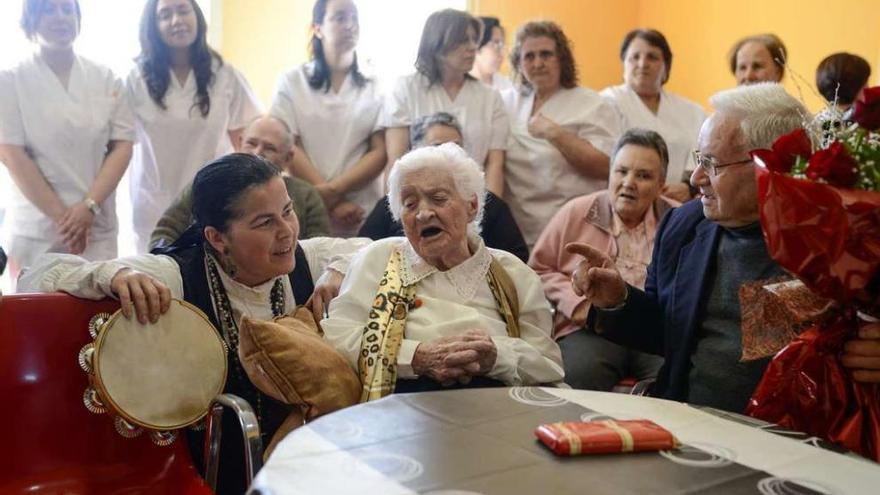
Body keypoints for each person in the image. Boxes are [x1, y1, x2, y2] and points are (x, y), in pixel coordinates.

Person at [19, 153, 370, 494]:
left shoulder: (308, 259)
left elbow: (377, 246)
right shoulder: (177, 274)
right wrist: (113, 274)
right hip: (215, 466)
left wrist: (341, 270)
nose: (287, 232)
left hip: (310, 463)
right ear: (217, 238)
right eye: (265, 222)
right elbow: (36, 274)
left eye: (288, 211)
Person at [568, 83, 880, 414]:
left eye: (712, 163)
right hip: (689, 424)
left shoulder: (846, 244)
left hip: (796, 437)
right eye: (698, 158)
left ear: (768, 166)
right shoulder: (682, 228)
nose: (696, 177)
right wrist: (618, 300)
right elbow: (668, 334)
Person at [323, 143, 563, 398]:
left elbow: (548, 364)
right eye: (410, 204)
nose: (423, 214)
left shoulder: (514, 273)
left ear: (472, 207)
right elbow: (339, 338)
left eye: (438, 199)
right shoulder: (377, 259)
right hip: (401, 405)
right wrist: (415, 356)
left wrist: (496, 356)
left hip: (496, 403)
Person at [530, 129, 677, 390]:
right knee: (576, 382)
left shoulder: (679, 220)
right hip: (592, 330)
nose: (629, 183)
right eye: (621, 171)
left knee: (676, 383)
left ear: (661, 184)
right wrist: (578, 304)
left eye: (643, 176)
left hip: (654, 332)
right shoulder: (578, 211)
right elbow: (539, 269)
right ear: (610, 173)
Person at [0, 0, 134, 284]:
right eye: (49, 9)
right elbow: (11, 153)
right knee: (36, 320)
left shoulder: (106, 78)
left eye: (67, 9)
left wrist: (88, 208)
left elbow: (122, 145)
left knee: (99, 319)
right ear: (30, 20)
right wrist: (66, 220)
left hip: (95, 227)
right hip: (38, 229)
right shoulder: (10, 81)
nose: (60, 17)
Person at [126, 0, 261, 252]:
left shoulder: (224, 74)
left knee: (209, 281)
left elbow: (247, 142)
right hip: (153, 205)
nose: (176, 20)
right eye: (165, 15)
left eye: (183, 10)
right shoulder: (136, 78)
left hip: (213, 201)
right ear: (153, 26)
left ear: (196, 15)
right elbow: (120, 144)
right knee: (156, 283)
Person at [270, 0, 385, 236]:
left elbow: (380, 150)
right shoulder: (292, 81)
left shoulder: (376, 84)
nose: (350, 25)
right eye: (340, 17)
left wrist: (331, 191)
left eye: (355, 18)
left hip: (360, 210)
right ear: (318, 28)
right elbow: (289, 146)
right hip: (308, 205)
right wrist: (330, 200)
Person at [502, 20, 620, 248]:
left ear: (562, 59)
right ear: (519, 62)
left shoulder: (592, 104)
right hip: (516, 229)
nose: (538, 63)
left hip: (573, 226)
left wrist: (556, 133)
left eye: (546, 54)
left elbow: (606, 167)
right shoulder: (506, 102)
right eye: (529, 56)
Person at [359, 112, 529, 263]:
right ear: (416, 150)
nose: (424, 214)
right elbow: (359, 252)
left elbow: (516, 259)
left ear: (472, 206)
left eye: (456, 146)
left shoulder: (492, 205)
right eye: (438, 146)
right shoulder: (392, 204)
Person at [148, 116, 331, 250]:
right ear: (240, 143)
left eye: (269, 148)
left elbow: (318, 249)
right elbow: (166, 231)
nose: (257, 153)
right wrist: (169, 267)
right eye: (251, 143)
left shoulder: (305, 195)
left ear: (288, 157)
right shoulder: (209, 184)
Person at [383, 9, 509, 196]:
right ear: (437, 42)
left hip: (474, 201)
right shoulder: (406, 89)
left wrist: (490, 215)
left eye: (474, 39)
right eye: (463, 40)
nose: (473, 47)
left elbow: (495, 165)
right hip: (419, 202)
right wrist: (396, 214)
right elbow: (396, 160)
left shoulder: (490, 98)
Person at [601, 29, 704, 203]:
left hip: (675, 202)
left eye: (652, 57)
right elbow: (604, 157)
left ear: (666, 66)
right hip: (625, 200)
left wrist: (688, 186)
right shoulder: (607, 102)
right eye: (635, 57)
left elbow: (700, 153)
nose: (642, 64)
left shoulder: (692, 111)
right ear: (624, 63)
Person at [469, 16, 513, 92]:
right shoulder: (458, 88)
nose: (502, 53)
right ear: (476, 46)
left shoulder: (509, 87)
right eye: (496, 45)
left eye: (502, 46)